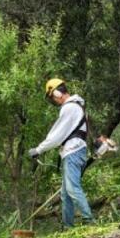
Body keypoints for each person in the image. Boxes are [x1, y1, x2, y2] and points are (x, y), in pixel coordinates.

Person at [29, 78, 99, 228]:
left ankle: (90, 222)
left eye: (52, 97)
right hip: (74, 151)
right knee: (65, 194)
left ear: (57, 92)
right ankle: (68, 227)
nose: (54, 101)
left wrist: (38, 149)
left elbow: (57, 135)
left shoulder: (69, 108)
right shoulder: (77, 107)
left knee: (73, 188)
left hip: (73, 151)